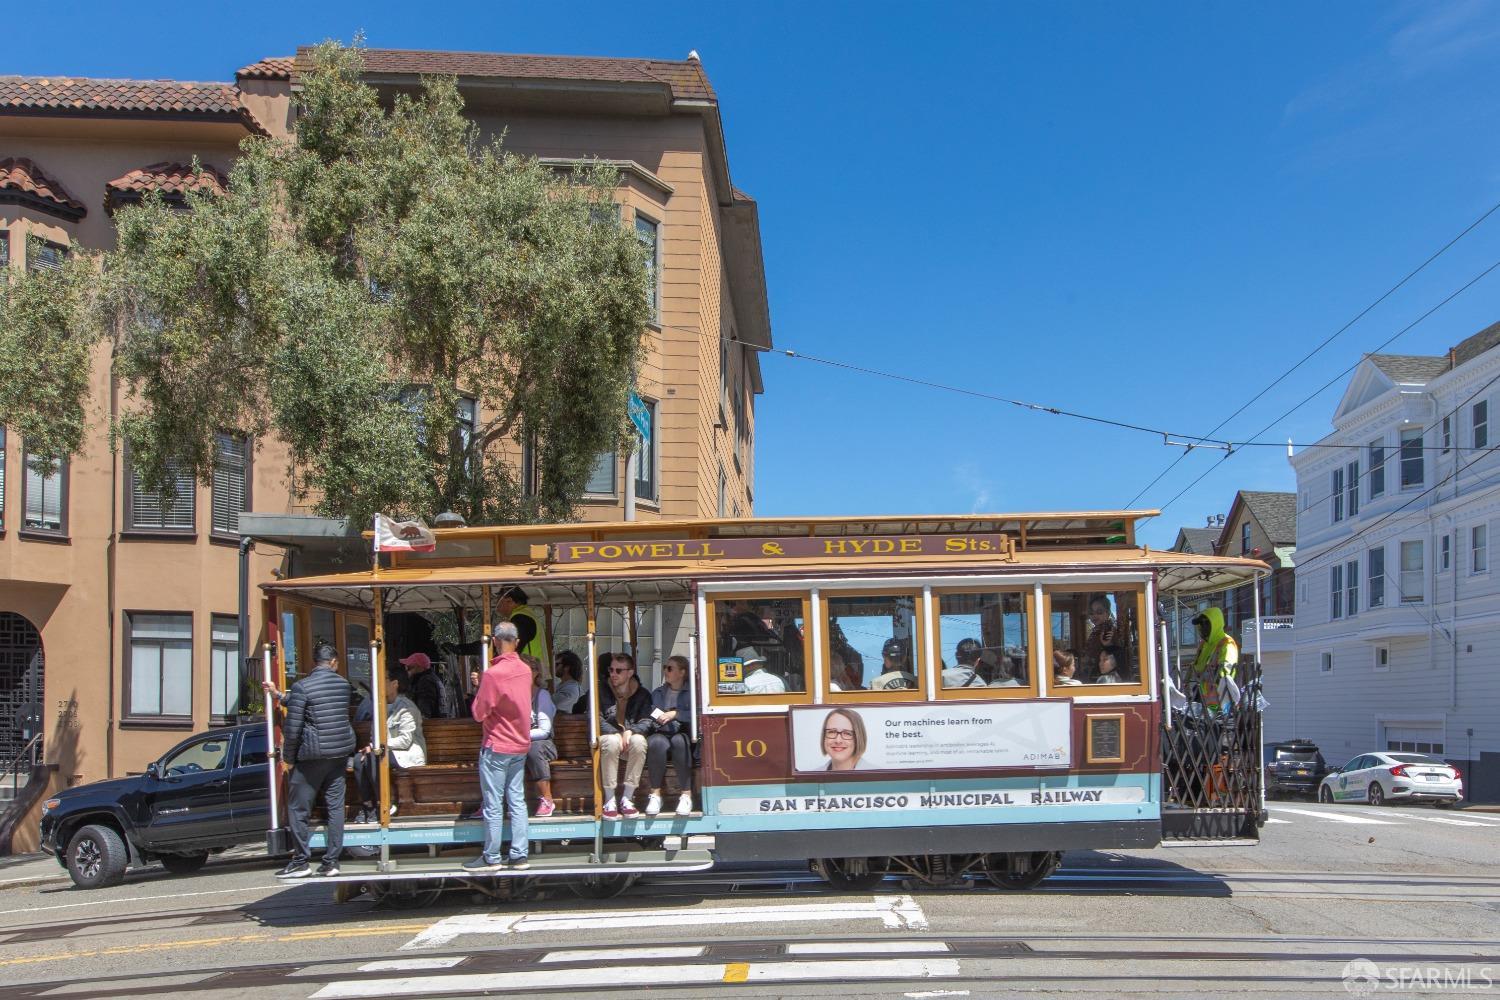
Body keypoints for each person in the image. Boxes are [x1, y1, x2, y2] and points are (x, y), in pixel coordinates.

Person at [271, 643, 356, 879]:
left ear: (314, 663)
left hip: (312, 757)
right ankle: (332, 862)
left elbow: (294, 726)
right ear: (334, 663)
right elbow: (320, 701)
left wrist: (288, 757)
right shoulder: (343, 685)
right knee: (335, 807)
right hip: (339, 754)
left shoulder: (302, 687)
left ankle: (301, 861)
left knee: (298, 808)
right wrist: (280, 695)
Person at [463, 621, 532, 872]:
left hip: (497, 745)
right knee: (517, 800)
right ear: (517, 641)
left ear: (495, 641)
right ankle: (519, 854)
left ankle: (492, 856)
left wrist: (478, 687)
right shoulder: (525, 671)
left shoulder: (493, 674)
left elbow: (479, 713)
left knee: (493, 803)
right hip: (520, 745)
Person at [353, 663, 427, 823]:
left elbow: (405, 741)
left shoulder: (407, 708)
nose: (378, 683)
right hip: (386, 753)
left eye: (383, 679)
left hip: (407, 755)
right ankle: (369, 807)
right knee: (358, 761)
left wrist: (377, 745)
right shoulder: (380, 707)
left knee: (374, 756)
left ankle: (386, 802)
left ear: (395, 684)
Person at [599, 652, 653, 818]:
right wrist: (615, 732)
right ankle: (609, 800)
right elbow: (595, 719)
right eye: (611, 669)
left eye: (618, 671)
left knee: (639, 742)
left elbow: (647, 721)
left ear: (630, 673)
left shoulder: (643, 694)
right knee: (611, 741)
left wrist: (631, 731)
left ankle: (627, 798)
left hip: (629, 740)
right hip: (609, 738)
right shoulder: (600, 690)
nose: (613, 674)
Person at [645, 655, 694, 817]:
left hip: (683, 733)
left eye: (670, 668)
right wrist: (658, 717)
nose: (666, 671)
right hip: (661, 731)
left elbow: (696, 714)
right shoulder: (658, 692)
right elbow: (651, 712)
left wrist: (675, 714)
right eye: (665, 667)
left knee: (680, 742)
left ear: (682, 672)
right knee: (655, 742)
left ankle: (686, 795)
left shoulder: (691, 693)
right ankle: (655, 795)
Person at [1186, 607, 1239, 716]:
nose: (1202, 627)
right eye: (1200, 624)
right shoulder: (1203, 645)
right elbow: (1196, 669)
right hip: (1200, 700)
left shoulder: (1227, 644)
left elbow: (1225, 674)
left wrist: (1207, 675)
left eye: (1206, 624)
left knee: (1213, 731)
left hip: (1219, 703)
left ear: (1215, 624)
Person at [525, 654, 558, 818]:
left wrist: (519, 736)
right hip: (520, 742)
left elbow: (544, 730)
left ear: (536, 672)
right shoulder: (514, 695)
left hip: (543, 744)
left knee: (533, 748)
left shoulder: (541, 695)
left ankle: (547, 799)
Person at [498, 586, 549, 674]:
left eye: (498, 601)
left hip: (528, 675)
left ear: (509, 600)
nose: (497, 606)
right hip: (536, 674)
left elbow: (512, 649)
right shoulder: (527, 614)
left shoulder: (520, 618)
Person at [1082, 596, 1117, 682]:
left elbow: (1113, 652)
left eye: (1099, 612)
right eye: (1091, 613)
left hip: (1105, 676)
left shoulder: (1108, 630)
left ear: (1108, 613)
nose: (1095, 616)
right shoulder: (1096, 630)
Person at [401, 652, 444, 720]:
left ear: (419, 667)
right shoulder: (431, 678)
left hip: (430, 726)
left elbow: (424, 713)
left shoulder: (425, 681)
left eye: (409, 667)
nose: (406, 669)